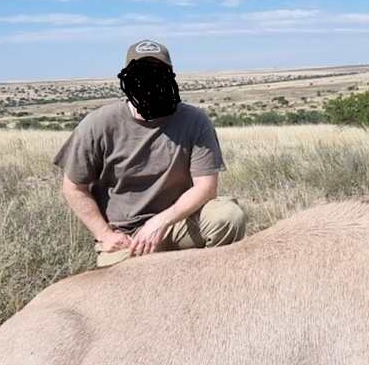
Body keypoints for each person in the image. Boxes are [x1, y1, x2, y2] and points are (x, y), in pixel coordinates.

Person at [54, 40, 246, 267]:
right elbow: (74, 187)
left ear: (170, 76)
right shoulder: (98, 123)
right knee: (117, 294)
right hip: (127, 235)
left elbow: (206, 188)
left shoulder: (194, 121)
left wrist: (161, 222)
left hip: (178, 222)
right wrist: (105, 235)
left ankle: (212, 278)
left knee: (227, 216)